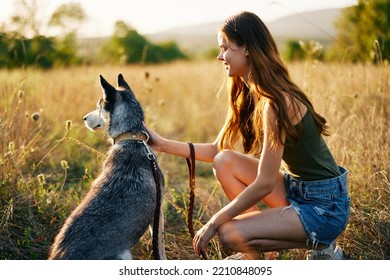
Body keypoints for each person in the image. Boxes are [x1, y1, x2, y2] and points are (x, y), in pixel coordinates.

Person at [145, 11, 350, 260]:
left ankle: (323, 247)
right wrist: (159, 143)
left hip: (325, 207)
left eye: (225, 48)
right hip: (298, 190)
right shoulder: (250, 91)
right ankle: (260, 255)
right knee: (225, 161)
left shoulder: (276, 101)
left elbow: (264, 184)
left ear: (247, 49)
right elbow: (216, 150)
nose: (220, 56)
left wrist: (214, 222)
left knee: (229, 233)